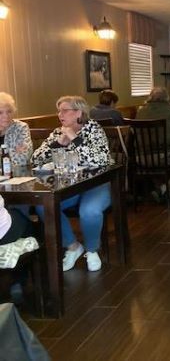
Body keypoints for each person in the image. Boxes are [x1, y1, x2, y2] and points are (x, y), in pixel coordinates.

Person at [32, 96, 111, 272]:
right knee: (44, 206)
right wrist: (57, 144)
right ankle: (73, 247)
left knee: (89, 211)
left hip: (96, 184)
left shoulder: (94, 129)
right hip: (69, 186)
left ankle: (91, 250)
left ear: (78, 113)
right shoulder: (58, 132)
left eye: (65, 110)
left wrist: (74, 138)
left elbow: (100, 160)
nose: (60, 114)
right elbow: (35, 159)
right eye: (59, 111)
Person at [136, 86, 170, 166]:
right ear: (167, 98)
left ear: (150, 97)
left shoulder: (140, 112)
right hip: (168, 156)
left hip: (142, 158)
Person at [0, 92, 33, 166]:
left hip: (16, 172)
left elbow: (23, 159)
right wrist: (14, 151)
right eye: (0, 112)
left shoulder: (21, 127)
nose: (6, 116)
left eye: (9, 111)